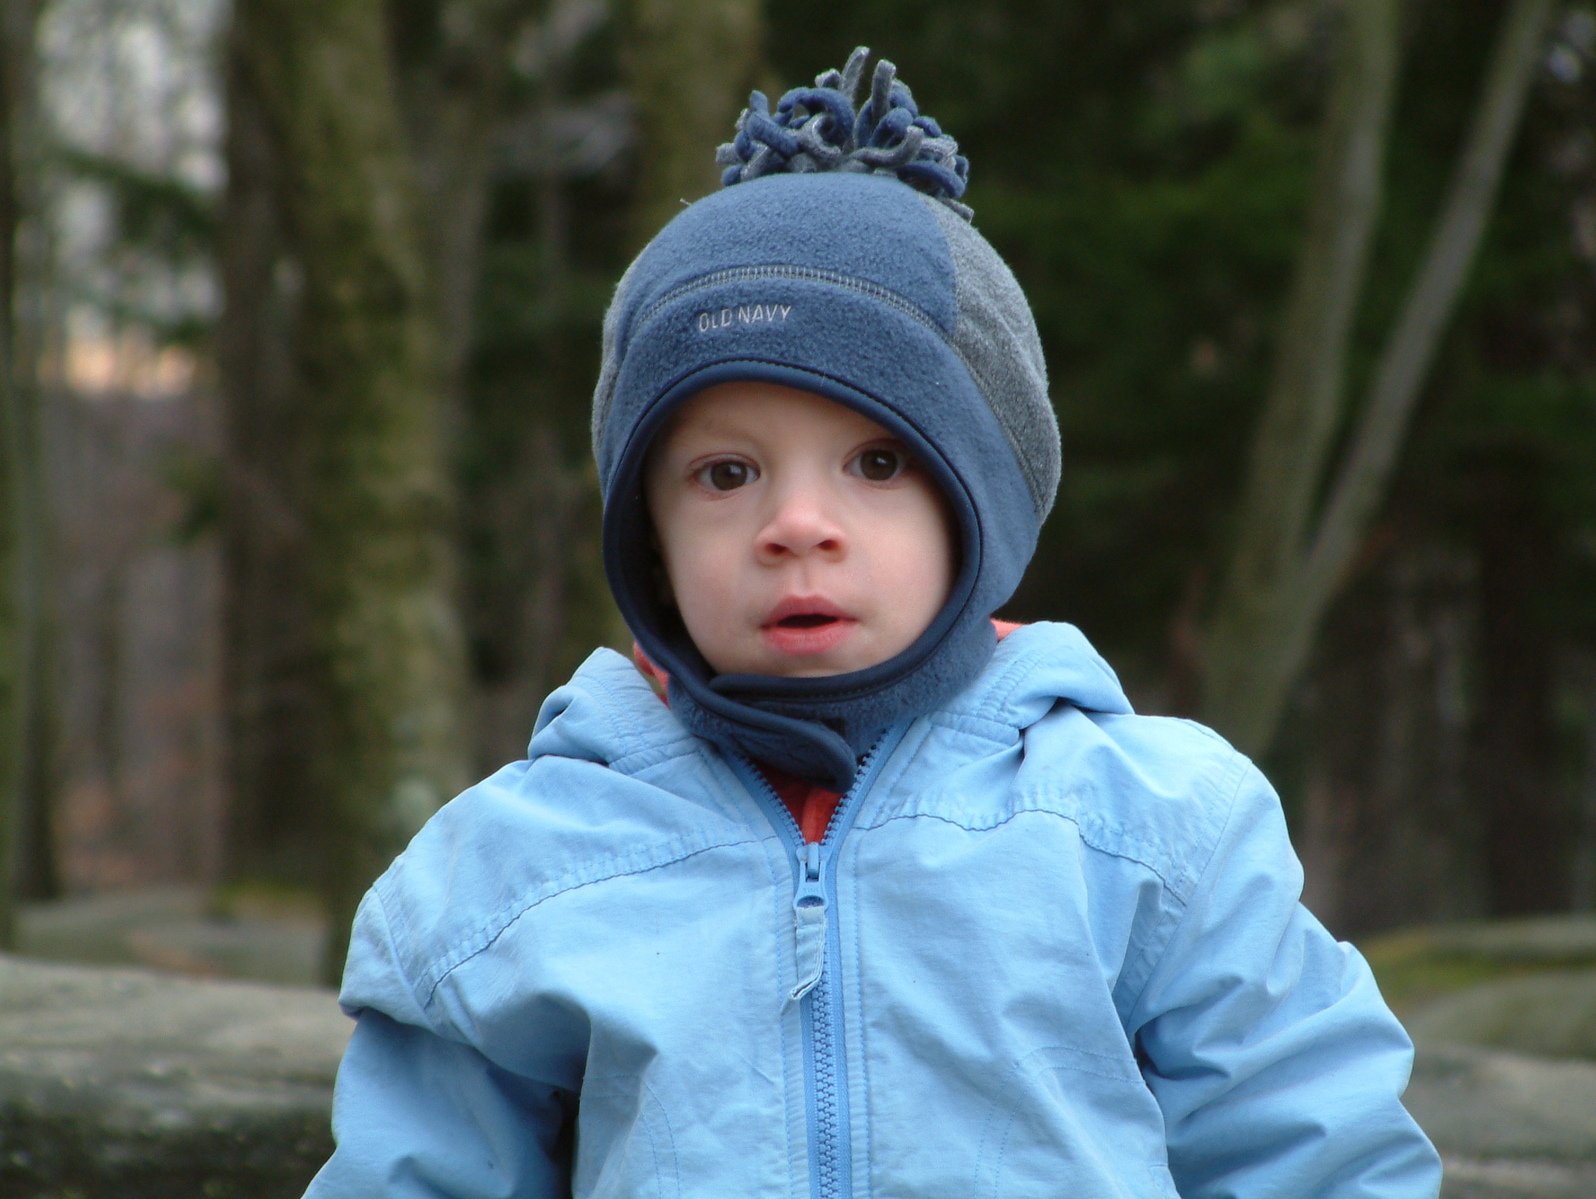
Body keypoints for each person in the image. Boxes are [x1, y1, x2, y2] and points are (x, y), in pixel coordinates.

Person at [305, 47, 1442, 1198]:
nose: (798, 523)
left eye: (877, 460)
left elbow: (1317, 1155)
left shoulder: (1146, 829)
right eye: (725, 472)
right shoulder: (520, 867)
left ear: (979, 501)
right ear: (645, 533)